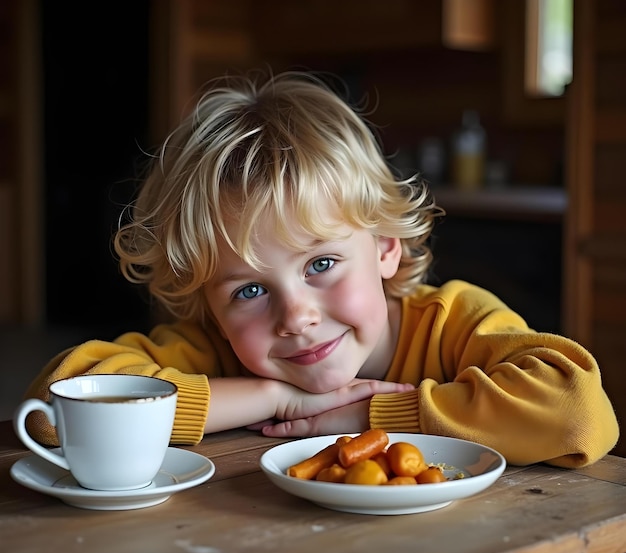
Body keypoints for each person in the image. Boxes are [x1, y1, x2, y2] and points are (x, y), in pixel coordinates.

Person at [24, 70, 619, 468]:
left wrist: (371, 414)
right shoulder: (216, 349)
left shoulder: (453, 321)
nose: (296, 317)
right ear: (208, 301)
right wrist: (275, 400)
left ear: (385, 246)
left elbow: (578, 409)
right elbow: (58, 406)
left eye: (322, 264)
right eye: (250, 289)